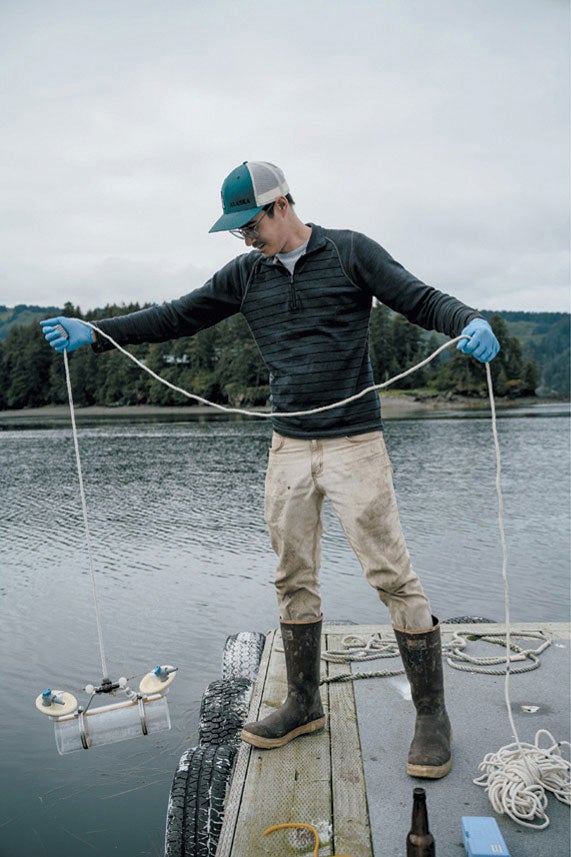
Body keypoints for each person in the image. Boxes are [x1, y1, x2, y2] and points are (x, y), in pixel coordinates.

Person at [41, 160, 500, 779]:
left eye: (249, 224)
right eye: (237, 230)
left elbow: (422, 300)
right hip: (288, 447)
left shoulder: (350, 253)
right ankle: (303, 703)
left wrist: (469, 320)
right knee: (291, 576)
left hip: (355, 443)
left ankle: (431, 716)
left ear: (281, 205)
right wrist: (94, 332)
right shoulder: (244, 274)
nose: (245, 237)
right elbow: (175, 316)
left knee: (392, 576)